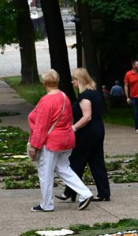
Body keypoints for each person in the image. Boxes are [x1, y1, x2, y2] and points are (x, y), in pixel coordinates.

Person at [26, 69, 92, 212]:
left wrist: (34, 146)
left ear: (44, 82)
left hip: (52, 141)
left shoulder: (46, 100)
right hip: (66, 139)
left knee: (45, 172)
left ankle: (46, 204)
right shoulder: (64, 97)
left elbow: (41, 126)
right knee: (64, 169)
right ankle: (85, 193)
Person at [60, 67, 111, 203]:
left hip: (87, 132)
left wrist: (73, 128)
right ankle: (103, 192)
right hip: (98, 129)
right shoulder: (95, 93)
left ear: (80, 80)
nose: (72, 82)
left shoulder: (85, 96)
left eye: (74, 80)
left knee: (76, 160)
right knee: (96, 161)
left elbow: (87, 117)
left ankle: (69, 191)